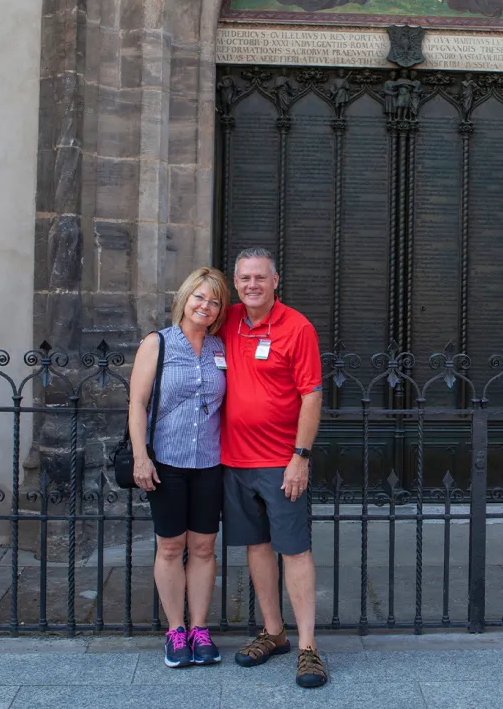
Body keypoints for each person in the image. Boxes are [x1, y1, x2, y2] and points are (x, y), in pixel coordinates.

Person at [220, 247, 328, 688]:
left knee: (295, 550)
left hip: (281, 462)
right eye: (244, 278)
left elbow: (311, 395)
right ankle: (274, 632)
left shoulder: (297, 327)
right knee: (257, 547)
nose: (252, 285)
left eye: (260, 277)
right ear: (235, 282)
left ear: (275, 281)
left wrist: (300, 458)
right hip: (233, 460)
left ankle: (308, 648)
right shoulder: (225, 320)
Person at [128, 266, 230, 669]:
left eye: (214, 301)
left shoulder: (221, 348)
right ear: (185, 298)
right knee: (171, 546)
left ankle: (199, 629)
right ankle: (175, 630)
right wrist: (141, 456)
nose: (205, 305)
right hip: (166, 462)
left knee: (203, 547)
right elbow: (137, 403)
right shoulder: (158, 343)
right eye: (199, 296)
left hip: (209, 462)